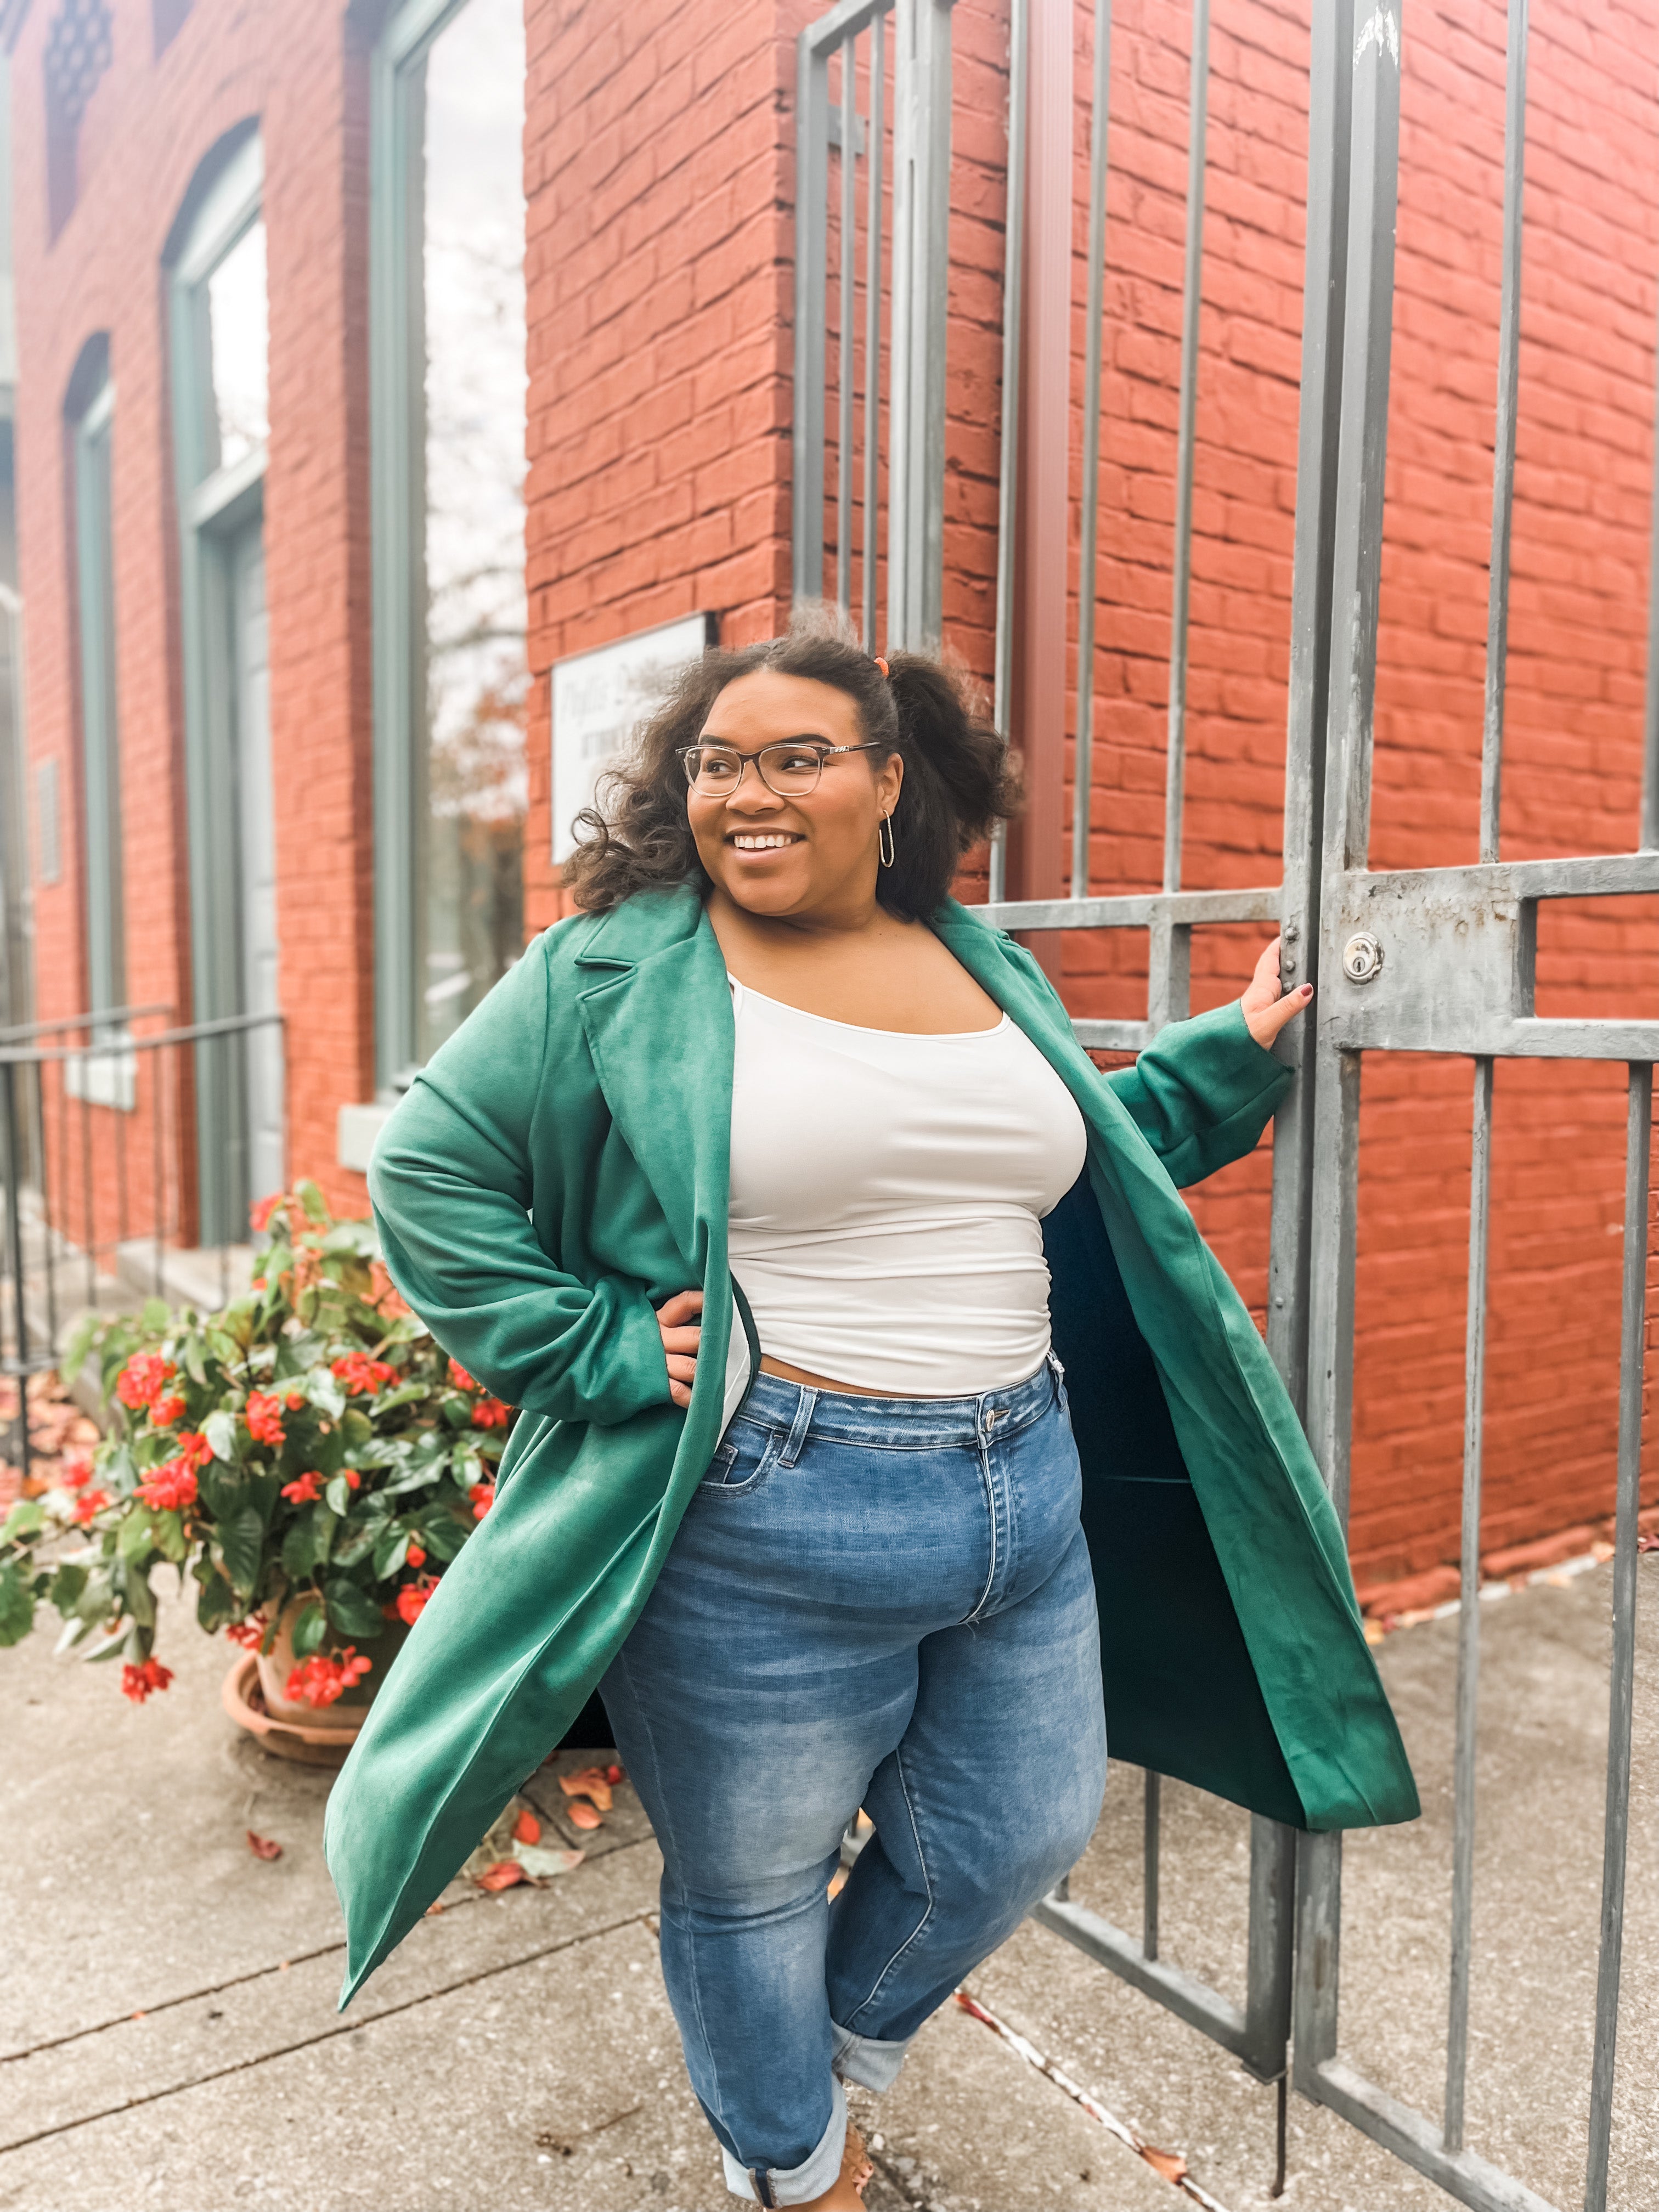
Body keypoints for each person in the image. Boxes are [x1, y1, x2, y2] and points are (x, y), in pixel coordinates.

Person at [325, 614, 1418, 2211]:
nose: (746, 793)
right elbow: (426, 1173)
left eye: (795, 757)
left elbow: (1059, 1147)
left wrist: (1223, 1064)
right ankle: (793, 2163)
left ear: (890, 781)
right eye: (716, 762)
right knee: (751, 1889)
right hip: (762, 1514)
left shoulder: (981, 960)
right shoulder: (614, 968)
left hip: (1022, 1493)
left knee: (1018, 1839)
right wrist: (603, 1351)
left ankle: (809, 2058)